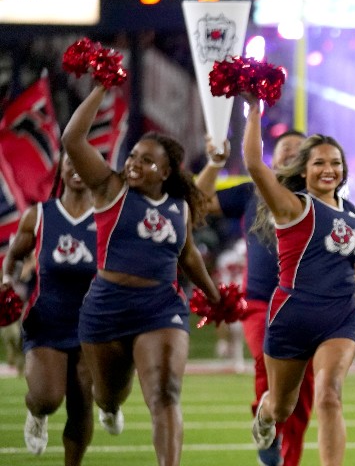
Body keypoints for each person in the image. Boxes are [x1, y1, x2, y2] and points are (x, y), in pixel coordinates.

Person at [61, 84, 222, 466]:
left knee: (165, 393)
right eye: (133, 156)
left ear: (166, 172)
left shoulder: (179, 207)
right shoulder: (109, 186)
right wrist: (102, 84)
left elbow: (189, 256)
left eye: (147, 161)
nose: (134, 163)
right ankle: (112, 404)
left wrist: (215, 298)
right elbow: (72, 138)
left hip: (160, 307)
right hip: (106, 306)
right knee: (108, 394)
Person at [239, 93, 355, 466]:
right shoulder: (293, 206)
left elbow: (352, 261)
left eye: (336, 163)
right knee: (282, 407)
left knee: (329, 395)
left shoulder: (351, 212)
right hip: (292, 316)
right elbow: (255, 164)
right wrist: (255, 111)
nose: (329, 169)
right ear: (303, 170)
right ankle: (265, 415)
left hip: (339, 317)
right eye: (319, 162)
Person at [196, 130, 314, 466]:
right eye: (284, 149)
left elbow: (350, 229)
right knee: (268, 359)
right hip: (261, 299)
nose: (290, 153)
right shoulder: (252, 191)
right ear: (271, 159)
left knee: (304, 390)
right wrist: (213, 164)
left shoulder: (318, 196)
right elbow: (200, 204)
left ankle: (288, 457)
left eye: (298, 150)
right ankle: (265, 421)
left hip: (307, 304)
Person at [2, 154, 96, 463]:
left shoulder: (107, 217)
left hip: (92, 325)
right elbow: (13, 256)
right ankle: (36, 413)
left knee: (82, 401)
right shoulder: (39, 216)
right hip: (47, 320)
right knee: (47, 398)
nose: (76, 168)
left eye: (82, 162)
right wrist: (6, 282)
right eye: (70, 162)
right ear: (62, 168)